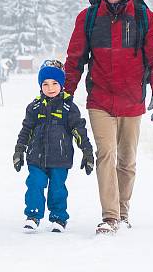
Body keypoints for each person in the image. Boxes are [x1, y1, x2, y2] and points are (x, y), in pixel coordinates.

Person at [63, 0, 153, 235]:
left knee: (127, 160)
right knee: (106, 154)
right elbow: (74, 60)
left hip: (132, 101)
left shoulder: (144, 17)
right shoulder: (88, 18)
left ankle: (123, 211)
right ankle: (109, 217)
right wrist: (66, 94)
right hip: (100, 99)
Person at [13, 60, 94, 233]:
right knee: (34, 183)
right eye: (45, 84)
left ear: (62, 84)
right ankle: (33, 215)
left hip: (60, 158)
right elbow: (26, 129)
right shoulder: (34, 107)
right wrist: (19, 149)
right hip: (36, 157)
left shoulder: (68, 107)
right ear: (40, 86)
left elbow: (79, 130)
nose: (50, 88)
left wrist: (87, 151)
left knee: (57, 188)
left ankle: (58, 217)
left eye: (55, 83)